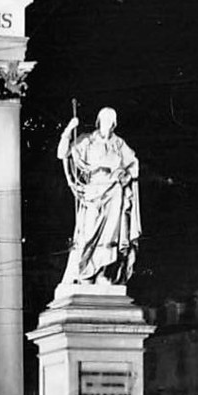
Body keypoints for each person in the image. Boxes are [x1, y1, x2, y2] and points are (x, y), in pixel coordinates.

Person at [57, 106, 141, 285]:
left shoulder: (118, 144)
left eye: (111, 122)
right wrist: (69, 129)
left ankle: (103, 272)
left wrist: (125, 175)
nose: (107, 125)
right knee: (88, 234)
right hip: (93, 191)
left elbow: (134, 165)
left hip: (114, 192)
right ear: (99, 122)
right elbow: (62, 153)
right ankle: (85, 272)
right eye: (104, 120)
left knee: (110, 235)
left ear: (114, 124)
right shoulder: (87, 141)